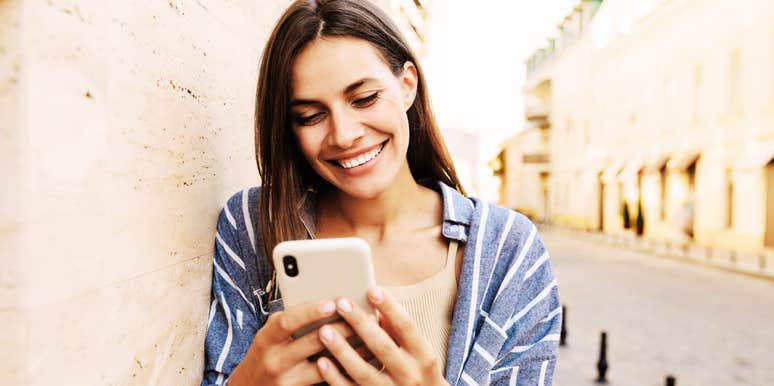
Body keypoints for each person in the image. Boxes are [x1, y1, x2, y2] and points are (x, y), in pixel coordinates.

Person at [200, 1, 561, 385]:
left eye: (365, 98)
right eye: (310, 116)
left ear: (407, 85)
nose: (343, 134)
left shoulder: (509, 251)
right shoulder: (253, 226)